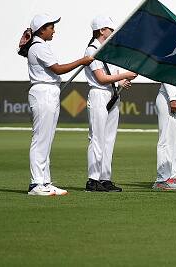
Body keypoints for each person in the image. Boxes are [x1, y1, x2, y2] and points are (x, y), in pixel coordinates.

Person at [18, 14, 93, 196]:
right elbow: (58, 69)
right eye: (51, 27)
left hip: (49, 91)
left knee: (47, 139)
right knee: (40, 139)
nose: (54, 30)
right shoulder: (38, 47)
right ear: (42, 29)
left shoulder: (40, 45)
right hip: (43, 91)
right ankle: (36, 184)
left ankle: (45, 181)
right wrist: (81, 61)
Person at [84, 15, 137, 192]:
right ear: (101, 30)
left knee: (108, 139)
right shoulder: (92, 51)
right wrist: (125, 75)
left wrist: (120, 82)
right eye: (110, 30)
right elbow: (101, 78)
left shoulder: (107, 50)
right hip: (99, 94)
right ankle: (93, 179)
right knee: (97, 138)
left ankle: (105, 178)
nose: (113, 33)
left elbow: (110, 77)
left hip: (112, 94)